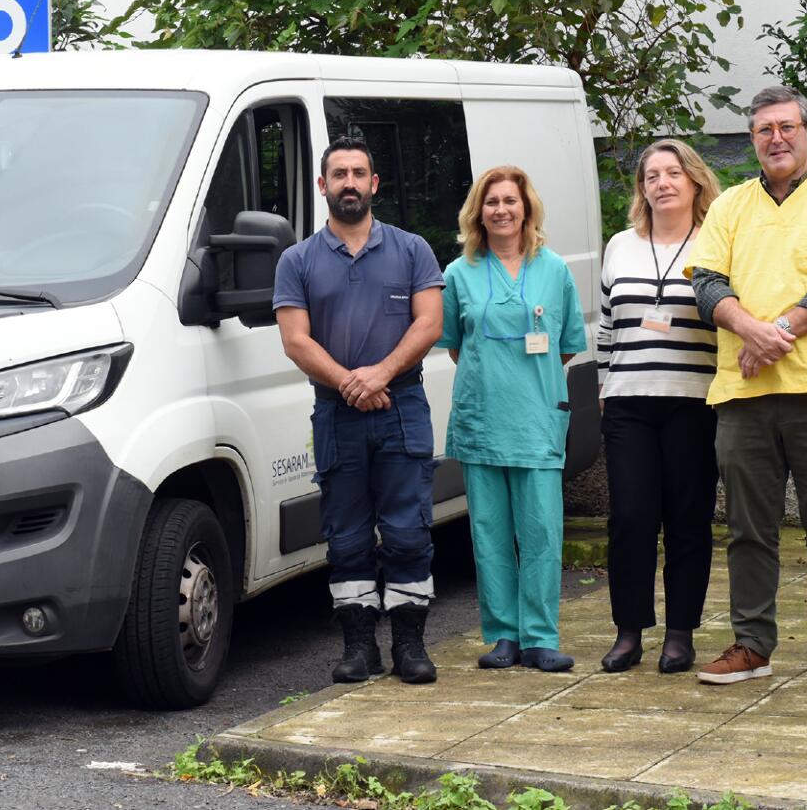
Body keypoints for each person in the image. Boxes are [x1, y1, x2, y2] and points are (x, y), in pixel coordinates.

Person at [687, 86, 807, 688]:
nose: (776, 138)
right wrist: (748, 329)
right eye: (764, 129)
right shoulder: (731, 206)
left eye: (786, 127)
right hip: (744, 399)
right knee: (748, 528)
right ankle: (751, 644)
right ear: (752, 140)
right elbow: (706, 284)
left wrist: (772, 332)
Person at [273, 136, 444, 685]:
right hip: (336, 414)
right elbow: (296, 340)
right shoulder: (296, 260)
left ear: (375, 184)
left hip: (402, 405)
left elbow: (430, 324)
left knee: (408, 530)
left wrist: (380, 374)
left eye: (359, 173)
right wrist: (351, 382)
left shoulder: (412, 249)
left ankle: (410, 647)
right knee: (345, 534)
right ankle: (359, 648)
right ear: (323, 186)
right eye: (339, 174)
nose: (350, 182)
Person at [438, 165, 586, 672]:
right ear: (478, 212)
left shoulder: (555, 271)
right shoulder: (459, 273)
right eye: (492, 202)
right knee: (490, 533)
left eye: (510, 201)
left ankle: (541, 637)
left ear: (527, 208)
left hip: (537, 419)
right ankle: (503, 635)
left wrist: (527, 383)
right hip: (483, 420)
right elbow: (457, 348)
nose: (502, 210)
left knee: (542, 533)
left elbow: (565, 349)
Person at [596, 140, 721, 675]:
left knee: (688, 519)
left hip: (694, 402)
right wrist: (604, 389)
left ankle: (680, 633)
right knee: (629, 518)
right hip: (628, 403)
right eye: (652, 175)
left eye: (673, 173)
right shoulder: (620, 245)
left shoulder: (717, 243)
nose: (662, 183)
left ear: (695, 182)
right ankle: (629, 631)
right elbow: (606, 326)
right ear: (641, 188)